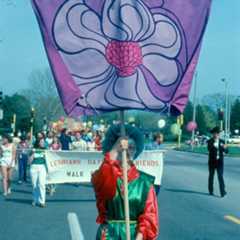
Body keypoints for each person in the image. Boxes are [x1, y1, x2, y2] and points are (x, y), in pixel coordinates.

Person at [92, 124, 159, 239]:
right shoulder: (105, 176)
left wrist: (138, 237)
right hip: (109, 235)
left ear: (136, 150)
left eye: (131, 148)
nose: (126, 152)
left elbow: (149, 215)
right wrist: (116, 147)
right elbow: (102, 181)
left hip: (134, 235)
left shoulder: (145, 183)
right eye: (123, 148)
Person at [207, 126, 228, 197]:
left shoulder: (222, 141)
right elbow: (209, 149)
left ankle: (222, 192)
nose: (216, 135)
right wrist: (214, 145)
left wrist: (225, 148)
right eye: (215, 133)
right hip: (212, 162)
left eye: (217, 133)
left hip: (220, 162)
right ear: (213, 134)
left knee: (220, 176)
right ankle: (210, 190)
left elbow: (227, 151)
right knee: (211, 176)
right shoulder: (210, 141)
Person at [29, 138, 47, 207]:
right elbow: (29, 161)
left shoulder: (45, 150)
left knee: (42, 184)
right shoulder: (33, 150)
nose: (43, 143)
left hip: (42, 167)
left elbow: (48, 159)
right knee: (34, 185)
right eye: (41, 142)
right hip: (34, 167)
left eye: (43, 142)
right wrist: (33, 153)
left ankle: (42, 201)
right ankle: (35, 200)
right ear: (38, 143)